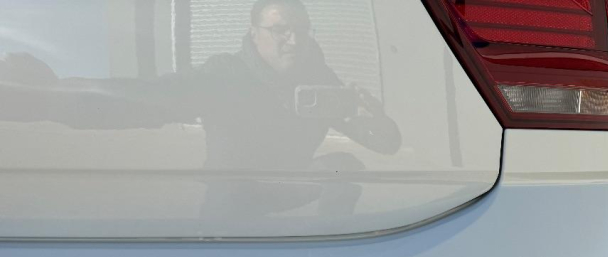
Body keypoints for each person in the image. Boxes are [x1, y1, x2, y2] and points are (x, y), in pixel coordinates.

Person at [0, 0, 401, 215]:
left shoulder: (319, 80)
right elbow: (144, 98)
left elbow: (384, 144)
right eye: (281, 30)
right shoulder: (224, 75)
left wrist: (377, 120)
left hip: (291, 193)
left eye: (301, 30)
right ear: (255, 33)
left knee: (346, 167)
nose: (293, 40)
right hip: (233, 204)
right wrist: (52, 97)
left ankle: (331, 255)